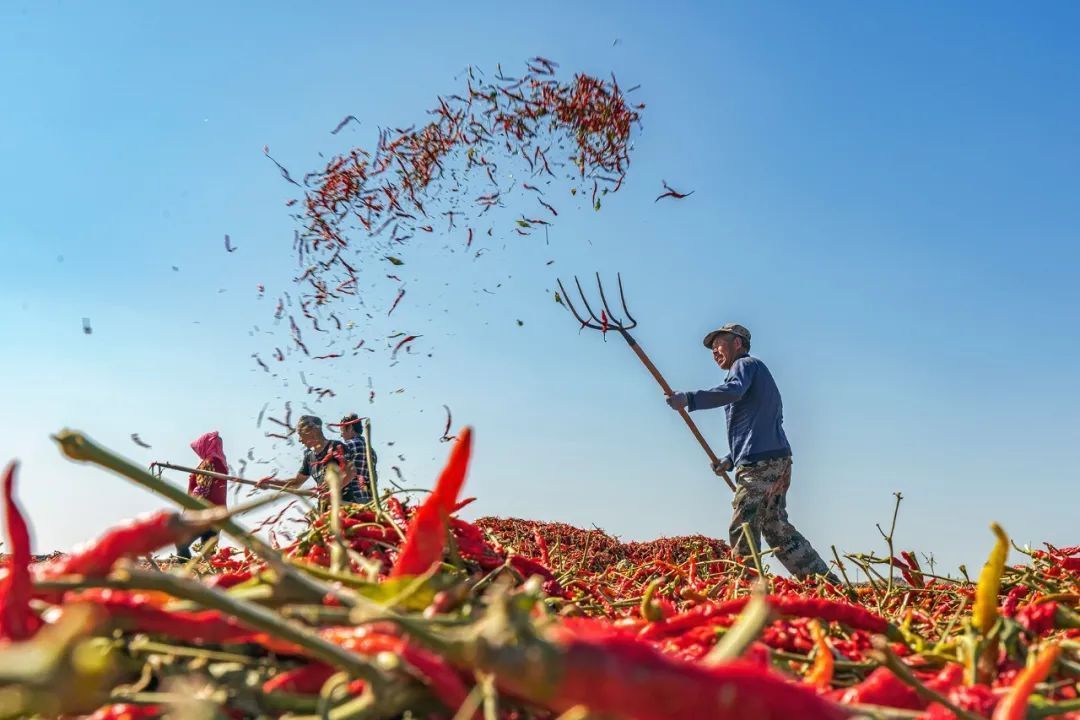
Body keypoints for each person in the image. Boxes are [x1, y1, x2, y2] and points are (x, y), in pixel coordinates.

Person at [666, 324, 837, 581]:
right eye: (712, 348)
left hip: (762, 463)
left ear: (738, 343)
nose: (715, 351)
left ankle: (747, 589)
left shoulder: (745, 366)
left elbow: (733, 391)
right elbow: (757, 424)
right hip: (774, 457)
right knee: (776, 527)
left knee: (743, 524)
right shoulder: (754, 375)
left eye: (719, 344)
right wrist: (731, 459)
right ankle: (824, 583)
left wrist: (690, 399)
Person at [283, 415, 363, 510]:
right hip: (324, 509)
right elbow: (296, 483)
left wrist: (332, 492)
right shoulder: (309, 457)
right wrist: (269, 482)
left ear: (313, 431)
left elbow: (351, 472)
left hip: (344, 507)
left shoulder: (336, 446)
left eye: (301, 434)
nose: (299, 440)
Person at [177, 431, 228, 559]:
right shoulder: (221, 464)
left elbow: (202, 489)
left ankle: (185, 575)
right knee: (209, 554)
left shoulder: (209, 462)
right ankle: (210, 576)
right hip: (219, 514)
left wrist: (187, 512)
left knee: (181, 542)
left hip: (203, 513)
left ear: (205, 445)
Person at [339, 413, 378, 504]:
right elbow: (374, 478)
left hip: (351, 499)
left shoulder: (348, 446)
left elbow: (341, 473)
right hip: (369, 499)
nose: (342, 436)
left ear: (351, 428)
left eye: (342, 432)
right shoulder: (371, 451)